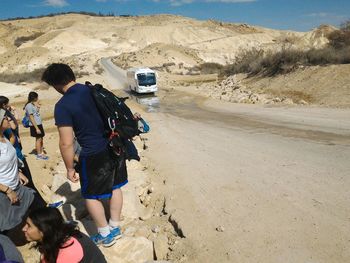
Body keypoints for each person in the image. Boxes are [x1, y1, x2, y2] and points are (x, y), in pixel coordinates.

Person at [42, 63, 127, 247]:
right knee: (115, 186)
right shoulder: (92, 89)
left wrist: (70, 167)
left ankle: (105, 234)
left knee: (90, 196)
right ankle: (115, 226)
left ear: (55, 84)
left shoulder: (63, 105)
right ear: (72, 75)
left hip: (92, 154)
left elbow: (66, 142)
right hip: (114, 146)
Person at [23, 207, 107, 263]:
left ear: (43, 230)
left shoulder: (68, 250)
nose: (24, 229)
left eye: (29, 225)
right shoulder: (57, 237)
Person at [0, 109, 35, 233]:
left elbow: (8, 160)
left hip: (15, 185)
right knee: (4, 226)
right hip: (4, 191)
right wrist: (8, 191)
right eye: (5, 118)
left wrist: (18, 172)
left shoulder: (3, 137)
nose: (8, 119)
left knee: (32, 203)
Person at [23, 92, 48, 160]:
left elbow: (35, 114)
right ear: (34, 97)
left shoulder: (32, 104)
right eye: (37, 97)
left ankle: (41, 151)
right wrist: (36, 128)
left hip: (38, 124)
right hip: (35, 125)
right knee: (38, 139)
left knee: (41, 138)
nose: (38, 98)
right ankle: (39, 155)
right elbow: (31, 117)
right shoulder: (29, 106)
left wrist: (38, 107)